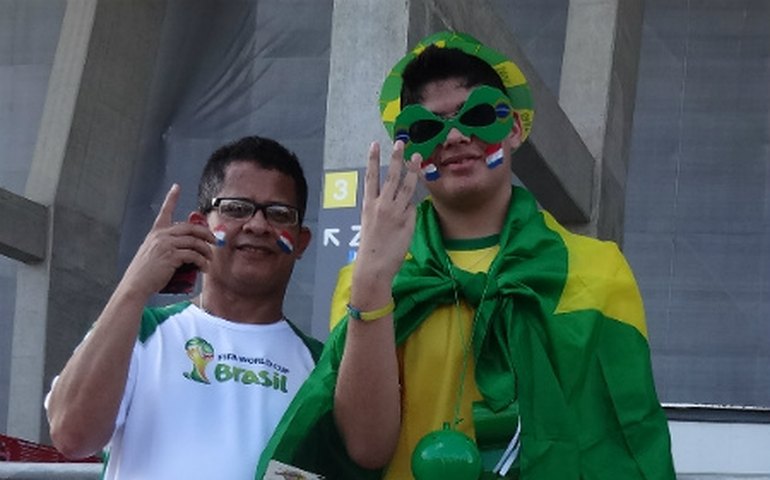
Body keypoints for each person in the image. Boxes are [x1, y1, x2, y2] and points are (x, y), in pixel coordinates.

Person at [256, 32, 675, 479]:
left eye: (477, 115)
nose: (455, 136)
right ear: (410, 150)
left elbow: (621, 438)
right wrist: (374, 283)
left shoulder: (598, 269)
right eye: (427, 127)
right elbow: (366, 447)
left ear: (513, 128)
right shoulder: (369, 278)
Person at [45, 135, 322, 479]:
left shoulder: (322, 367)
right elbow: (71, 435)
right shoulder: (141, 331)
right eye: (236, 208)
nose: (257, 225)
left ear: (301, 242)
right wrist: (134, 287)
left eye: (280, 213)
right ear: (199, 226)